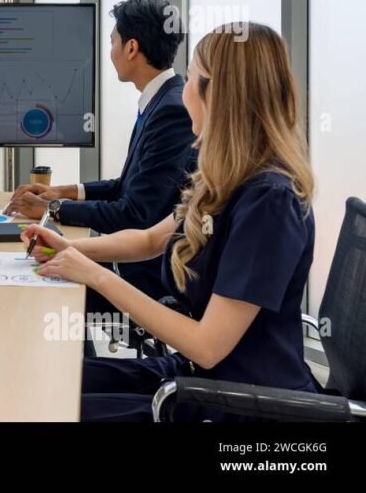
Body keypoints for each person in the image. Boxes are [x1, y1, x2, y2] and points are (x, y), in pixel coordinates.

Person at [23, 23, 318, 421]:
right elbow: (149, 239)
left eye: (193, 79)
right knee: (46, 382)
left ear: (222, 96)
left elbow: (208, 345)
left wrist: (96, 275)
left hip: (240, 403)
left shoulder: (269, 201)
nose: (184, 92)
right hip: (198, 377)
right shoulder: (227, 178)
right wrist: (68, 248)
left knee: (44, 409)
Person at [6, 0, 197, 314]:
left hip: (146, 275)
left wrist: (53, 208)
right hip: (136, 260)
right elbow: (128, 186)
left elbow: (135, 214)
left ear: (132, 48)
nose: (111, 53)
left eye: (113, 43)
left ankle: (76, 365)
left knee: (37, 286)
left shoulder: (171, 111)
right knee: (39, 271)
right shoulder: (161, 101)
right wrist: (62, 193)